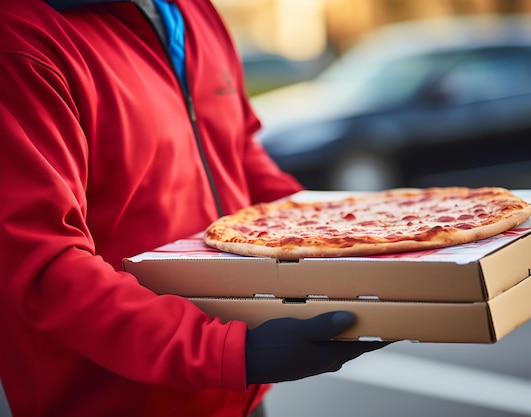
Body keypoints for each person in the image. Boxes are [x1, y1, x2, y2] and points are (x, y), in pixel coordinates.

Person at [0, 1, 389, 416]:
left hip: (238, 392)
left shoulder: (194, 10)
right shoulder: (20, 35)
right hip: (121, 400)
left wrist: (352, 241)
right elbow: (41, 263)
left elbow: (237, 155)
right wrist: (227, 351)